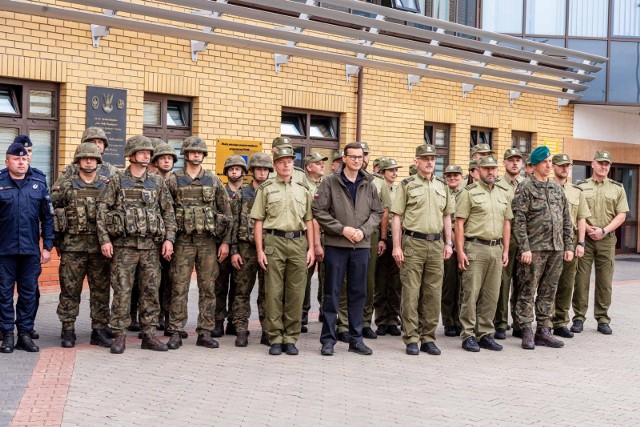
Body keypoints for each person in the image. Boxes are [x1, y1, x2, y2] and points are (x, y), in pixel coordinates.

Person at [97, 135, 176, 354]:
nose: (146, 155)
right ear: (131, 155)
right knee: (122, 290)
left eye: (148, 152)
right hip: (124, 247)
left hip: (150, 247)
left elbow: (168, 212)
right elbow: (102, 211)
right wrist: (104, 239)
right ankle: (119, 335)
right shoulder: (117, 181)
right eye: (141, 152)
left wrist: (169, 239)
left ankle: (149, 334)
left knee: (150, 291)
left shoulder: (157, 181)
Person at [313, 142, 383, 356]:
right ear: (344, 158)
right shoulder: (329, 182)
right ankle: (328, 340)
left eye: (359, 157)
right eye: (352, 157)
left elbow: (377, 212)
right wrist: (341, 229)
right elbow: (318, 210)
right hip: (337, 245)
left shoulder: (369, 183)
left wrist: (363, 231)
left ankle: (356, 339)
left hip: (361, 246)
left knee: (358, 293)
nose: (356, 160)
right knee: (332, 293)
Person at [165, 137, 232, 350]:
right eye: (192, 152)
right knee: (179, 287)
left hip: (208, 243)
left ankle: (205, 331)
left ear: (203, 155)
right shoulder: (174, 180)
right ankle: (175, 331)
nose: (196, 155)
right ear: (185, 154)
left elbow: (227, 213)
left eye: (199, 152)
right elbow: (165, 212)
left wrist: (226, 243)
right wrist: (169, 240)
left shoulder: (213, 181)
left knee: (208, 287)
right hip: (183, 242)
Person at [251, 145, 315, 356]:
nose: (286, 164)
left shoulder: (302, 188)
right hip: (274, 241)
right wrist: (260, 250)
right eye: (282, 161)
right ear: (275, 165)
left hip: (298, 242)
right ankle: (275, 337)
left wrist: (311, 248)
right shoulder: (266, 188)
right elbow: (258, 221)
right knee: (274, 292)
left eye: (289, 161)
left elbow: (309, 220)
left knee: (296, 292)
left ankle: (291, 337)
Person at [391, 144, 454, 356]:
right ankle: (411, 337)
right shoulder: (407, 185)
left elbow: (447, 216)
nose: (429, 162)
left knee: (433, 293)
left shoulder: (442, 186)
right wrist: (397, 246)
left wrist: (448, 243)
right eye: (425, 158)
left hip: (436, 244)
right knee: (410, 292)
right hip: (413, 243)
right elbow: (397, 216)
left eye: (432, 159)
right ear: (416, 160)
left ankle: (428, 337)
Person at [51, 143, 112, 348]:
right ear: (78, 161)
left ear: (98, 161)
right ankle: (68, 329)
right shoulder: (66, 184)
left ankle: (99, 330)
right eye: (84, 158)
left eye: (92, 158)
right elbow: (51, 209)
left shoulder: (106, 185)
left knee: (101, 291)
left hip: (99, 248)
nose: (88, 161)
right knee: (69, 290)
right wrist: (56, 241)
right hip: (72, 248)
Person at [512, 146, 573, 350]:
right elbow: (519, 220)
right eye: (545, 162)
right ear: (535, 165)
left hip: (556, 248)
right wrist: (525, 248)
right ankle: (526, 330)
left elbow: (566, 218)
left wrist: (568, 245)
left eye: (549, 162)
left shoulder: (556, 188)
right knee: (527, 289)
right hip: (534, 249)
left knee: (549, 290)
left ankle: (543, 330)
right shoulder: (526, 188)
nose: (549, 165)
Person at [0, 142, 54, 354]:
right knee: (3, 294)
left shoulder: (38, 183)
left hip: (31, 252)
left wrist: (47, 245)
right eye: (16, 159)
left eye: (24, 159)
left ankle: (24, 334)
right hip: (4, 251)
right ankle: (6, 335)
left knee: (28, 294)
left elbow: (47, 217)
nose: (21, 162)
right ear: (7, 161)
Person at [455, 156, 511, 352]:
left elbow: (506, 222)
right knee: (471, 293)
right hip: (475, 247)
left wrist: (505, 249)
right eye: (486, 169)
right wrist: (460, 251)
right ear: (478, 171)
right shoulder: (468, 193)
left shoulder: (503, 193)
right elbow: (459, 223)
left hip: (496, 249)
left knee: (491, 294)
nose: (491, 172)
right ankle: (468, 334)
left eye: (493, 169)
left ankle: (485, 333)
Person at [572, 151, 629, 335]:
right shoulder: (581, 187)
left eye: (607, 164)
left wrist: (604, 230)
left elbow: (621, 215)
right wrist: (588, 229)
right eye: (601, 163)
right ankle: (579, 318)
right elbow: (576, 212)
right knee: (581, 280)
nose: (604, 167)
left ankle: (603, 318)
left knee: (605, 282)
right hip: (585, 239)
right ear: (593, 164)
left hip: (607, 240)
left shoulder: (617, 188)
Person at [231, 152, 272, 347]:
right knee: (242, 291)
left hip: (268, 248)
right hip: (245, 248)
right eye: (258, 169)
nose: (262, 173)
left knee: (267, 292)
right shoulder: (242, 194)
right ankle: (240, 329)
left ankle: (267, 330)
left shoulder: (272, 192)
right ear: (252, 171)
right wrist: (234, 250)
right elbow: (233, 223)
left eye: (265, 169)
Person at [550, 153, 590, 338]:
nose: (565, 169)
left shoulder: (576, 192)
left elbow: (581, 218)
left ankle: (560, 321)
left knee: (567, 283)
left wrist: (581, 242)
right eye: (561, 166)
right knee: (548, 283)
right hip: (549, 241)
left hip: (570, 241)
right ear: (553, 167)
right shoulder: (546, 188)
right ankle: (546, 321)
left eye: (568, 166)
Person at [213, 155, 247, 338]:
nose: (234, 171)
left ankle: (235, 321)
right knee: (220, 284)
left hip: (241, 246)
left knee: (239, 285)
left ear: (243, 172)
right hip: (221, 245)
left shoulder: (249, 192)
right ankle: (218, 321)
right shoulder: (220, 191)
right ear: (226, 172)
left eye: (237, 169)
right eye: (231, 169)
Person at [494, 148, 525, 339]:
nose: (515, 163)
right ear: (504, 163)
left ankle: (520, 322)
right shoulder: (497, 185)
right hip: (503, 238)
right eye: (511, 160)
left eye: (518, 160)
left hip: (523, 241)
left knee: (522, 283)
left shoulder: (528, 184)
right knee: (502, 283)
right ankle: (500, 322)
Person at [150, 142, 178, 334]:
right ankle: (153, 318)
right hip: (153, 240)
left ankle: (169, 319)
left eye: (170, 158)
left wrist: (171, 239)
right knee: (151, 282)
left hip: (174, 239)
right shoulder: (150, 181)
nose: (166, 161)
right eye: (162, 158)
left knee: (172, 281)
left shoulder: (179, 181)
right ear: (156, 162)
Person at [373, 158, 402, 337]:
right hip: (382, 238)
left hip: (397, 239)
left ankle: (393, 319)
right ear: (382, 172)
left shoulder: (399, 190)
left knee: (396, 282)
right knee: (381, 281)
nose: (394, 173)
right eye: (390, 170)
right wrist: (381, 239)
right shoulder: (377, 189)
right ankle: (381, 320)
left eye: (395, 170)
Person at [302, 152, 328, 332]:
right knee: (304, 277)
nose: (322, 165)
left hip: (328, 237)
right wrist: (316, 244)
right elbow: (312, 217)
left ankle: (326, 312)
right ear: (309, 167)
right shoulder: (303, 186)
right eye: (317, 163)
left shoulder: (326, 185)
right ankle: (302, 314)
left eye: (322, 163)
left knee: (328, 277)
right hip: (308, 238)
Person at [441, 164, 464, 337]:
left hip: (464, 244)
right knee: (449, 285)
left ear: (462, 177)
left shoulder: (467, 193)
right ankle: (449, 321)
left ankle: (461, 321)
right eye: (449, 176)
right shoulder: (442, 193)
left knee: (463, 286)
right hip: (447, 244)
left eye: (456, 175)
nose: (452, 178)